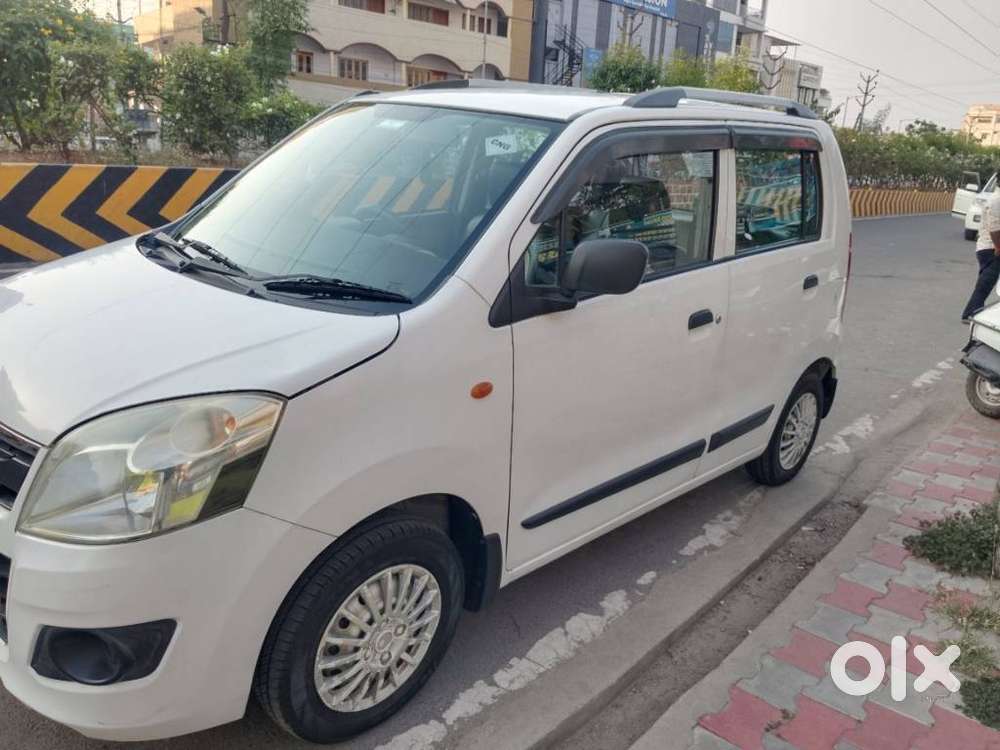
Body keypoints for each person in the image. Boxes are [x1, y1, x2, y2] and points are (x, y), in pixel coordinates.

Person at [962, 185, 1000, 322]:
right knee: (985, 283)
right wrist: (998, 247)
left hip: (990, 246)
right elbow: (995, 229)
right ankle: (970, 313)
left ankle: (972, 312)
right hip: (991, 248)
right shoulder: (997, 200)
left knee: (985, 283)